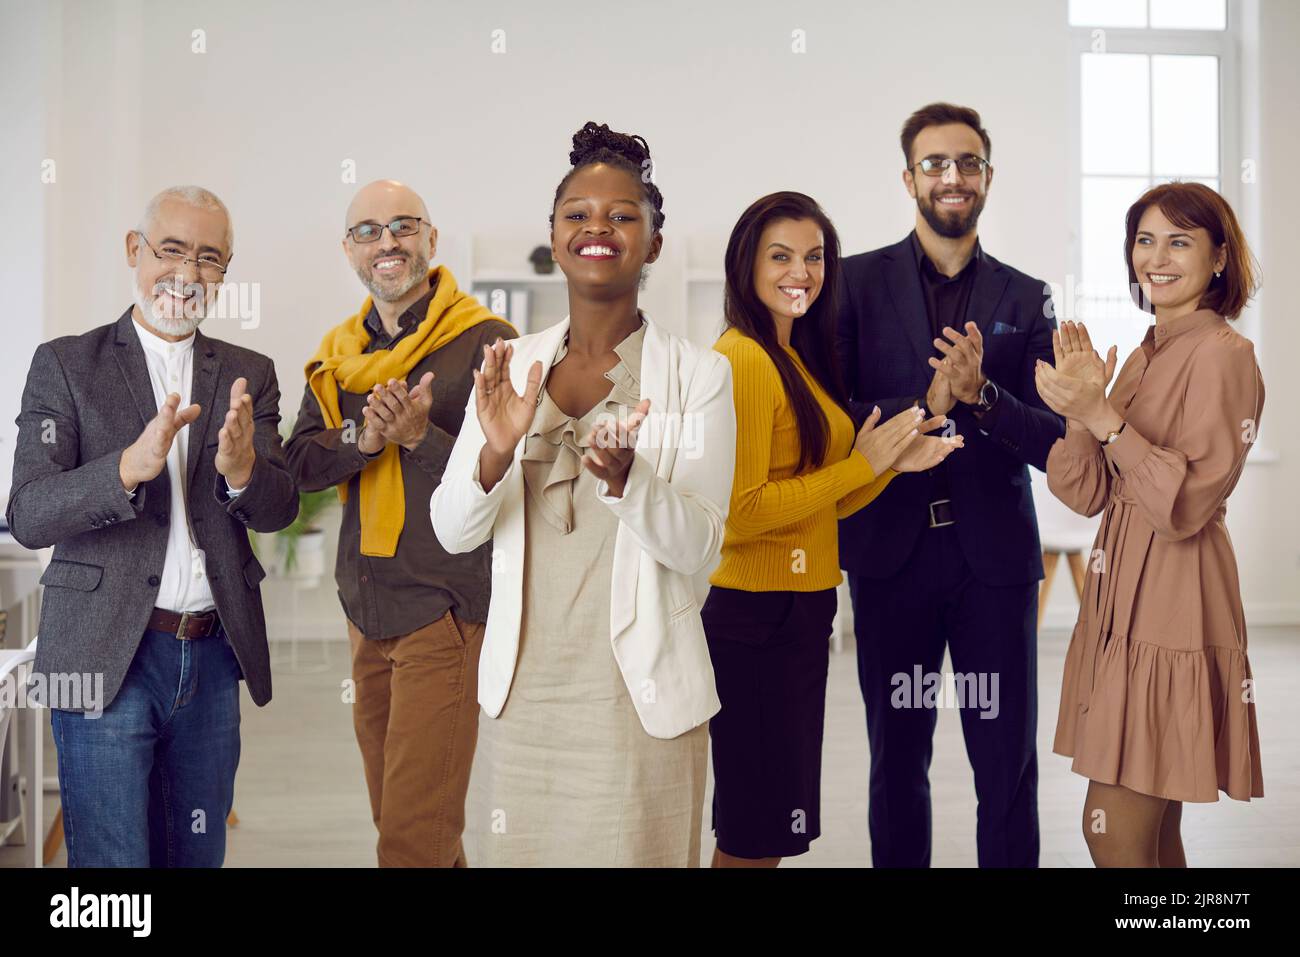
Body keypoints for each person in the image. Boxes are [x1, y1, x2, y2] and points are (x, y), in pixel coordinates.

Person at [431, 122, 735, 866]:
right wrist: (495, 451)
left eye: (623, 214)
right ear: (555, 234)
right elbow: (451, 529)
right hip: (528, 697)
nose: (598, 227)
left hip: (639, 699)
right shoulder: (510, 364)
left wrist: (632, 482)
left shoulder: (697, 376)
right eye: (578, 214)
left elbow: (699, 543)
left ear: (653, 242)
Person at [7, 186, 299, 866]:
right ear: (135, 250)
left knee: (195, 853)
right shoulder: (65, 363)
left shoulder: (248, 374)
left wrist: (243, 470)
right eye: (171, 250)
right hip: (103, 656)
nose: (188, 274)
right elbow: (28, 511)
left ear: (225, 273)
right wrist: (126, 469)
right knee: (113, 866)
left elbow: (280, 507)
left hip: (210, 655)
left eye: (209, 258)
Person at [835, 103, 1065, 867]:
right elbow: (833, 416)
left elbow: (1054, 439)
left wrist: (981, 398)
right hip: (890, 555)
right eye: (935, 163)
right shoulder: (853, 284)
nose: (952, 177)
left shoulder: (1028, 298)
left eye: (968, 163)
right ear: (909, 178)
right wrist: (920, 407)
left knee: (1006, 766)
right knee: (896, 762)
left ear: (988, 179)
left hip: (993, 566)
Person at [706, 191, 962, 867]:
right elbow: (743, 511)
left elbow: (820, 506)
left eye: (815, 257)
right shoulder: (745, 359)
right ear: (746, 265)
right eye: (781, 256)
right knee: (753, 832)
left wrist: (890, 466)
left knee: (769, 830)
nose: (802, 272)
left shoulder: (791, 356)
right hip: (756, 616)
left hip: (797, 610)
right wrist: (862, 465)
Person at [284, 180, 515, 867]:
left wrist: (420, 439)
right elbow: (299, 461)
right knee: (409, 824)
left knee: (413, 837)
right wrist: (365, 440)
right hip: (365, 607)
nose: (387, 242)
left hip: (443, 614)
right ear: (350, 250)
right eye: (368, 231)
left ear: (431, 240)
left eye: (403, 227)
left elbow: (508, 478)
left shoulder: (487, 343)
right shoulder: (339, 355)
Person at [1037, 181, 1265, 867]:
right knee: (1154, 833)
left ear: (1220, 258)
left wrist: (1105, 416)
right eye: (1145, 239)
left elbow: (1186, 504)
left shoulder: (1226, 356)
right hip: (1122, 599)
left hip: (1177, 601)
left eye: (1180, 240)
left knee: (1109, 829)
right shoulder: (1144, 352)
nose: (1156, 257)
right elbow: (1088, 492)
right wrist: (1082, 411)